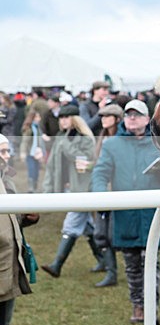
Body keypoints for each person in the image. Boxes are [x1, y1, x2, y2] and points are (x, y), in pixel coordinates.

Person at [91, 99, 160, 324]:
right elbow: (100, 173)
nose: (132, 118)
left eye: (137, 114)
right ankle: (137, 307)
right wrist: (100, 195)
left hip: (151, 216)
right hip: (125, 216)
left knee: (151, 263)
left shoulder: (158, 144)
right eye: (128, 115)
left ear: (147, 119)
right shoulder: (111, 145)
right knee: (132, 266)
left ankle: (151, 309)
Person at [0, 133, 37, 325]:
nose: (5, 156)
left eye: (6, 150)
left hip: (9, 264)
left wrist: (26, 217)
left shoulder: (5, 178)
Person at [40, 104, 102, 278]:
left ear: (75, 118)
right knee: (88, 227)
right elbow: (52, 167)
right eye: (61, 117)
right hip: (69, 189)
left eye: (66, 117)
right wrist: (48, 191)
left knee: (71, 224)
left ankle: (57, 265)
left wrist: (67, 144)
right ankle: (104, 259)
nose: (63, 120)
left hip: (83, 189)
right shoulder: (61, 137)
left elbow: (87, 160)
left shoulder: (84, 137)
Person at [91, 102, 124, 287]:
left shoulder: (122, 140)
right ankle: (111, 272)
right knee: (101, 234)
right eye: (102, 116)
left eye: (107, 116)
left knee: (116, 236)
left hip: (120, 194)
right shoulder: (102, 138)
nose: (103, 119)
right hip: (103, 193)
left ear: (117, 119)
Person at [19, 108, 46, 192]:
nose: (39, 119)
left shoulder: (38, 128)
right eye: (37, 117)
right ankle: (31, 188)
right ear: (33, 118)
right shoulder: (29, 129)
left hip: (37, 153)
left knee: (37, 172)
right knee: (32, 170)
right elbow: (24, 142)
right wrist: (22, 152)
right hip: (30, 153)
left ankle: (34, 187)